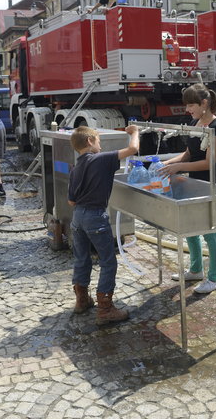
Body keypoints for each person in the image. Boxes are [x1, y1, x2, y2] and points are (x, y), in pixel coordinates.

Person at [67, 124, 140, 324]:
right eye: (98, 141)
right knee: (108, 261)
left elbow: (71, 201)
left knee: (82, 259)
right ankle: (105, 309)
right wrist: (134, 132)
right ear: (90, 141)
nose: (100, 144)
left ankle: (82, 300)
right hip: (95, 217)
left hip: (77, 217)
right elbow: (133, 150)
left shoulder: (75, 168)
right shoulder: (101, 159)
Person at [159, 84, 216, 294]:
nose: (188, 109)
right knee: (190, 228)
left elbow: (208, 162)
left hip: (210, 184)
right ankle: (196, 269)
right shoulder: (195, 122)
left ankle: (214, 278)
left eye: (191, 105)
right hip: (193, 183)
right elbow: (189, 154)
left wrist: (179, 168)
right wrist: (167, 163)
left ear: (204, 104)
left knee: (210, 230)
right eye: (187, 105)